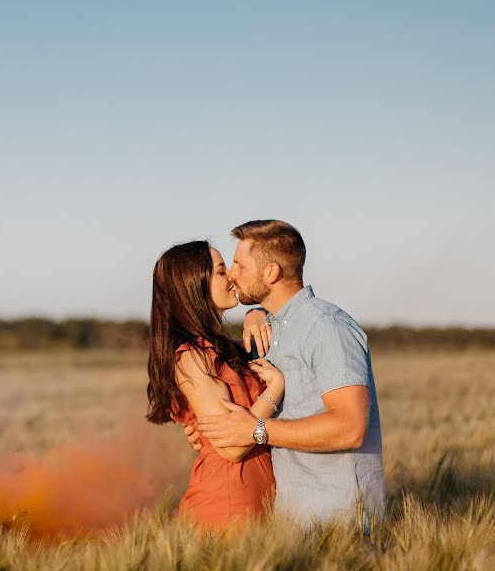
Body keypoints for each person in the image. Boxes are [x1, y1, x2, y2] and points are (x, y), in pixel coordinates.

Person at [187, 220, 385, 531]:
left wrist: (256, 430)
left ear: (271, 273)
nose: (232, 274)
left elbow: (350, 427)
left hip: (341, 519)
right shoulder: (267, 331)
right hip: (289, 521)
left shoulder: (327, 328)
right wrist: (210, 429)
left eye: (239, 264)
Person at [146, 240, 286, 528]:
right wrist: (274, 390)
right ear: (195, 286)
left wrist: (256, 313)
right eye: (222, 271)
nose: (232, 276)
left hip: (255, 490)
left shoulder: (221, 349)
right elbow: (231, 448)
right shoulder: (192, 358)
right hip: (228, 497)